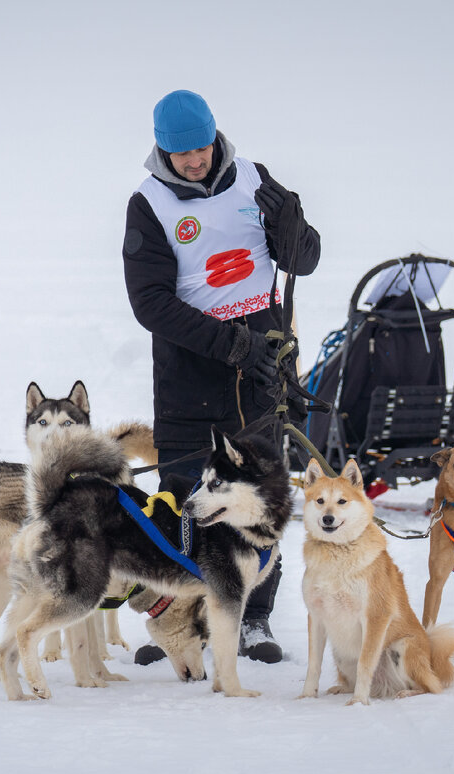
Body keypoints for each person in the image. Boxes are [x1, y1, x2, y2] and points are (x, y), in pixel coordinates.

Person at [122, 89, 321, 664]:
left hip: (265, 362)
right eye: (180, 153)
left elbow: (302, 262)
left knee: (260, 496)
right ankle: (182, 620)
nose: (193, 161)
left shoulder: (254, 180)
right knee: (186, 495)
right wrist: (231, 343)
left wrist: (292, 230)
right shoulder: (149, 205)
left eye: (201, 148)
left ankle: (253, 619)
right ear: (162, 149)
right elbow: (150, 302)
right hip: (192, 366)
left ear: (215, 136)